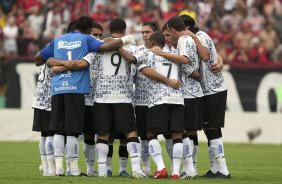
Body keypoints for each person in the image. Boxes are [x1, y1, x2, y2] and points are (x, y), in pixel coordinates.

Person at [35, 16, 135, 177]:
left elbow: (39, 59)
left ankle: (58, 169)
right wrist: (126, 39)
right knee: (73, 131)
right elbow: (105, 48)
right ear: (89, 29)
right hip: (75, 88)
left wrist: (59, 63)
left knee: (58, 130)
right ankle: (73, 169)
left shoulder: (58, 39)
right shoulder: (87, 39)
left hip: (58, 88)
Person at [118, 32, 184, 179]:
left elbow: (133, 61)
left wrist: (118, 47)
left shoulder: (148, 53)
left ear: (152, 41)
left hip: (158, 99)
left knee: (151, 133)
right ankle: (176, 172)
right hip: (177, 98)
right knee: (177, 135)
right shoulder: (174, 53)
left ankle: (161, 167)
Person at [180, 15, 231, 179]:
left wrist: (192, 37)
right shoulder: (198, 37)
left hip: (212, 90)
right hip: (207, 90)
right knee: (209, 129)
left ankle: (223, 170)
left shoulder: (200, 37)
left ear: (186, 28)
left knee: (211, 128)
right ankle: (215, 168)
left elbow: (206, 56)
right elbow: (215, 55)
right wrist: (220, 59)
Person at [32, 52, 55, 176]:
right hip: (49, 97)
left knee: (44, 133)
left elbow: (37, 60)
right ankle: (50, 169)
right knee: (50, 132)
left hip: (39, 97)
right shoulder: (56, 52)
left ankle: (46, 167)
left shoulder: (46, 51)